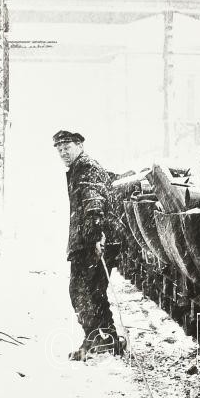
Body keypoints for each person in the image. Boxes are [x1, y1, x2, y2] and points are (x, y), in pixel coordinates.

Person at [53, 129, 124, 360]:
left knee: (82, 292)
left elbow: (94, 202)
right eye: (60, 149)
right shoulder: (80, 168)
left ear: (80, 146)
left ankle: (97, 339)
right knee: (93, 292)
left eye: (67, 147)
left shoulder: (85, 167)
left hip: (93, 241)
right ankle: (106, 339)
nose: (63, 152)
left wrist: (95, 236)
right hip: (93, 239)